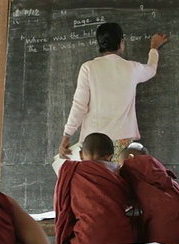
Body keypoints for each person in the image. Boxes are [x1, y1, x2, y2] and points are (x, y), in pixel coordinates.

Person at [59, 22, 169, 162]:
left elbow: (79, 105)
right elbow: (151, 69)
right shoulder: (132, 68)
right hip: (122, 140)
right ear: (121, 43)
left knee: (95, 181)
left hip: (94, 142)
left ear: (99, 44)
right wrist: (154, 48)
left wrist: (67, 135)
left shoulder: (88, 68)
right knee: (118, 182)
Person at [54, 132, 135, 244]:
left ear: (81, 155)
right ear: (111, 157)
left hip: (87, 240)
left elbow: (63, 209)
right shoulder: (119, 172)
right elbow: (130, 200)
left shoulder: (71, 171)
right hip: (121, 240)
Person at [118, 143, 179, 244]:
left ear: (130, 157)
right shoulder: (157, 170)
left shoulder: (131, 164)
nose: (120, 167)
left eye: (119, 163)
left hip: (167, 220)